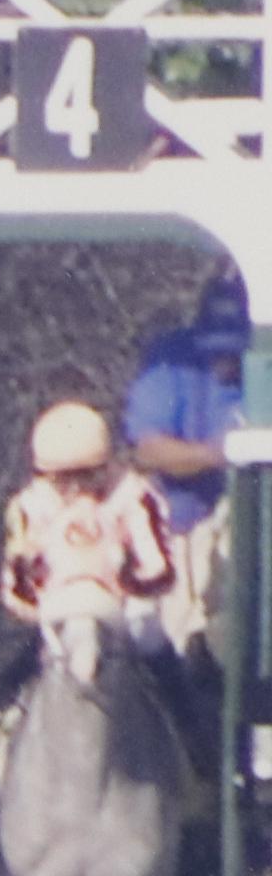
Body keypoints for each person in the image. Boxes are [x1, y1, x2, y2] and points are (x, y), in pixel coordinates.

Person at [0, 400, 205, 790]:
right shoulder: (30, 506)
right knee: (10, 685)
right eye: (62, 479)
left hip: (128, 611)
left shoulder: (134, 496)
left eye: (84, 477)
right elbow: (16, 583)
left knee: (165, 664)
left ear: (104, 467)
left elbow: (160, 569)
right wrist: (46, 603)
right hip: (62, 612)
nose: (75, 489)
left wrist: (121, 583)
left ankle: (199, 764)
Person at [125, 268, 250, 656]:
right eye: (216, 349)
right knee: (163, 643)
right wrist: (216, 454)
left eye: (234, 350)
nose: (224, 362)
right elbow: (149, 447)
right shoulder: (172, 360)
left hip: (249, 539)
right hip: (181, 529)